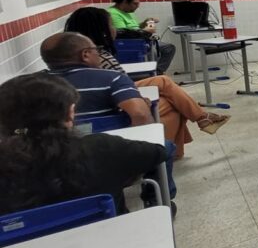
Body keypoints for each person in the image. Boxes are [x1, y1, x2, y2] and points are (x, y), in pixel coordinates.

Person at [63, 8, 230, 158]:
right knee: (171, 98)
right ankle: (188, 132)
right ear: (102, 31)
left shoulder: (75, 55)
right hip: (117, 108)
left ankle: (191, 130)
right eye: (111, 25)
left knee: (165, 86)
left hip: (110, 100)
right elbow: (120, 88)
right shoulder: (98, 57)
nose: (115, 29)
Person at [39, 32, 179, 207]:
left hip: (50, 164)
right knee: (164, 147)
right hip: (108, 154)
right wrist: (135, 158)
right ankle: (156, 201)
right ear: (85, 54)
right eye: (96, 50)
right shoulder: (110, 78)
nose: (100, 53)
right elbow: (141, 115)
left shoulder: (31, 85)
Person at [0, 73, 168, 215]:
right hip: (113, 245)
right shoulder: (101, 148)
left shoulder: (7, 167)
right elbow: (159, 152)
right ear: (69, 114)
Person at [107, 0, 176, 74]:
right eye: (135, 4)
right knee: (155, 51)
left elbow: (134, 27)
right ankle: (153, 74)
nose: (137, 6)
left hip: (142, 39)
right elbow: (124, 34)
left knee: (168, 48)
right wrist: (147, 30)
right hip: (130, 44)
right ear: (124, 2)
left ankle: (158, 73)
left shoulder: (128, 11)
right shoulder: (113, 14)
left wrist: (145, 23)